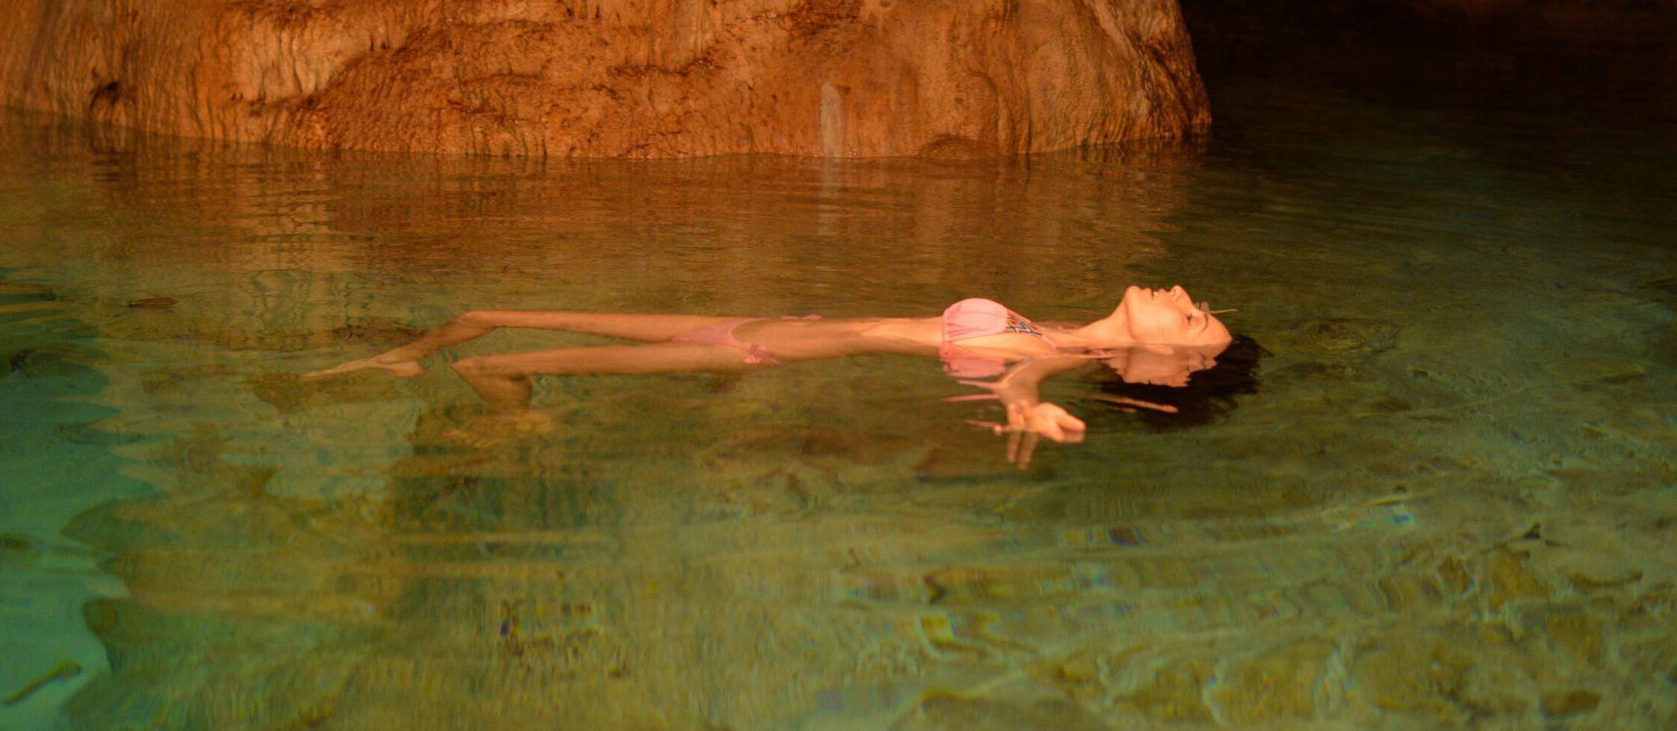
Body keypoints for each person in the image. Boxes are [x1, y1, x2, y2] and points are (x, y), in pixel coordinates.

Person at [305, 285, 1234, 462]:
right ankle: (398, 357)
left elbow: (1015, 387)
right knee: (500, 309)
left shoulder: (1040, 357)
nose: (1184, 293)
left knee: (507, 360)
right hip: (769, 325)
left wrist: (1027, 415)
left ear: (1172, 361)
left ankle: (510, 425)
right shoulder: (1053, 322)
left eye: (1191, 316)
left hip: (750, 350)